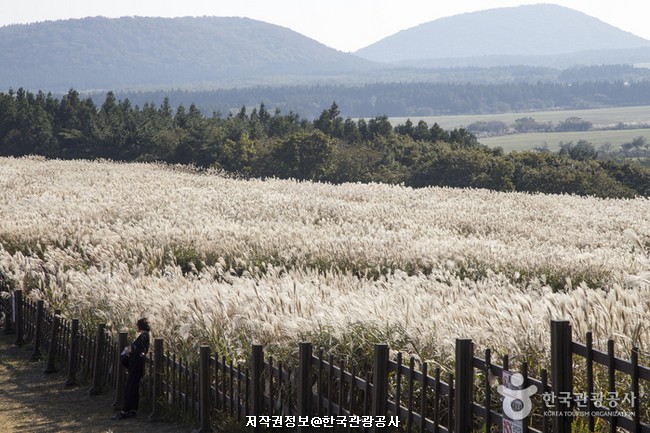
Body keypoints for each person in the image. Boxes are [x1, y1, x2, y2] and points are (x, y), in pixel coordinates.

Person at [112, 317, 150, 420]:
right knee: (133, 388)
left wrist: (129, 350)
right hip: (136, 365)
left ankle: (125, 411)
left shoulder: (144, 336)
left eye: (137, 325)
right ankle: (133, 410)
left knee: (129, 387)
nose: (136, 327)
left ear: (140, 326)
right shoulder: (143, 336)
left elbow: (139, 350)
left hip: (136, 366)